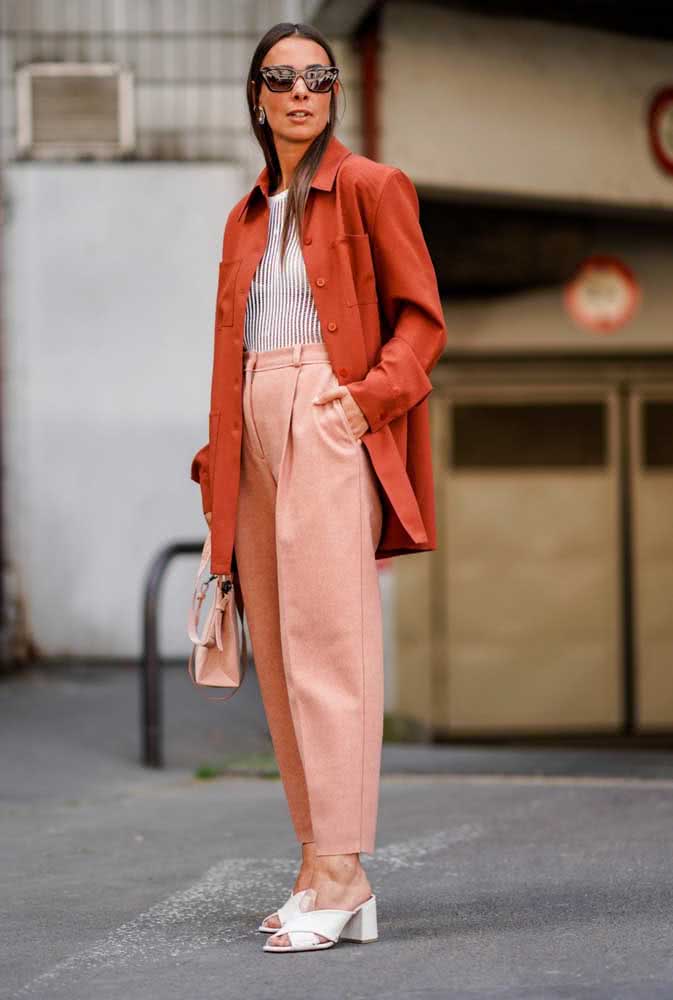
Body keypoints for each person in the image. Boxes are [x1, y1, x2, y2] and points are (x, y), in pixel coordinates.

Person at [190, 20, 447, 953]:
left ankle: (344, 869)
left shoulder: (373, 187)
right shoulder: (246, 214)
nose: (301, 92)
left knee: (331, 648)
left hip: (327, 414)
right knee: (283, 660)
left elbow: (422, 325)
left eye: (317, 77)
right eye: (280, 78)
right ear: (256, 98)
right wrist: (219, 461)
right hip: (254, 428)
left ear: (333, 92)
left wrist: (358, 406)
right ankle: (316, 859)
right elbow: (231, 349)